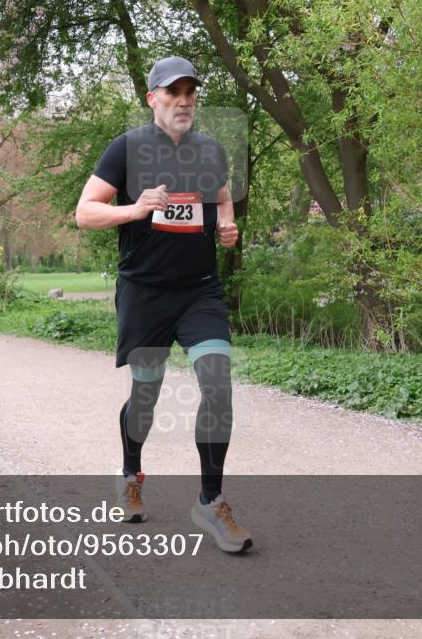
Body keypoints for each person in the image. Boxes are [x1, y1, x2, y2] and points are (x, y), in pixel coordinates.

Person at [75, 56, 250, 553]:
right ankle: (130, 473)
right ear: (152, 98)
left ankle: (211, 502)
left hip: (199, 289)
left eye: (190, 91)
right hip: (145, 292)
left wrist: (225, 225)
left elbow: (220, 195)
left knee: (217, 384)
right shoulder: (126, 149)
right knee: (146, 395)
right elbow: (85, 212)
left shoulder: (211, 151)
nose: (184, 100)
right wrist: (137, 209)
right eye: (173, 92)